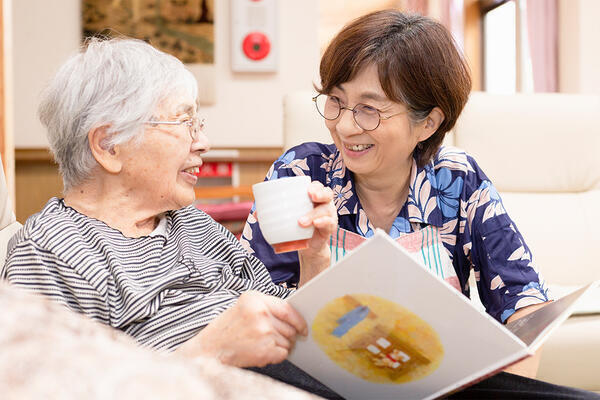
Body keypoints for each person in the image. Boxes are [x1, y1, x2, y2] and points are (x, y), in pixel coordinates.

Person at [242, 10, 599, 399]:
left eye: (369, 109)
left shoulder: (458, 180)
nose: (344, 126)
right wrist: (314, 262)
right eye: (336, 101)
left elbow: (525, 309)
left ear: (428, 122)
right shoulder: (300, 173)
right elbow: (255, 311)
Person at [0, 37, 340, 397]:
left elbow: (294, 326)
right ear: (108, 145)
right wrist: (211, 350)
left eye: (199, 123)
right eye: (185, 122)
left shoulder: (192, 223)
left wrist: (313, 257)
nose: (204, 141)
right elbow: (51, 388)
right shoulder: (52, 249)